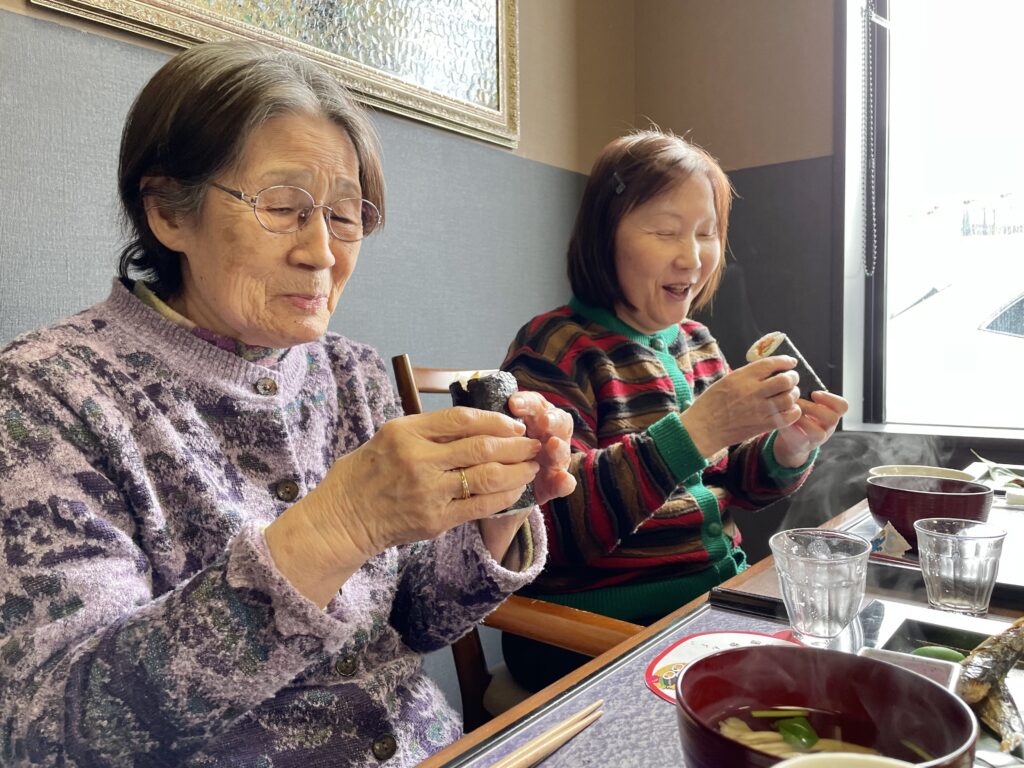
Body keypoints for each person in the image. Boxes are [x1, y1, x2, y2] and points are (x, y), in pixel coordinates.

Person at [0, 41, 576, 767]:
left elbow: (416, 620)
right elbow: (53, 734)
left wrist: (497, 510)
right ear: (167, 212)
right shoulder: (48, 395)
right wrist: (336, 527)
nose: (322, 252)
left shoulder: (351, 371)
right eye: (283, 207)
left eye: (345, 215)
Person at [500, 130, 849, 691]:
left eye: (707, 233)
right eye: (665, 232)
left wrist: (789, 446)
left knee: (845, 668)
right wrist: (699, 429)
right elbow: (551, 526)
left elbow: (735, 483)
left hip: (712, 605)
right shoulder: (555, 347)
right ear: (604, 237)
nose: (692, 257)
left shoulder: (696, 342)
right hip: (593, 630)